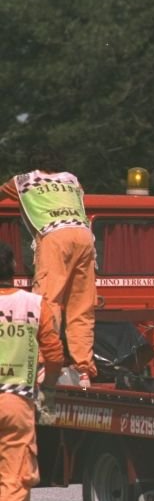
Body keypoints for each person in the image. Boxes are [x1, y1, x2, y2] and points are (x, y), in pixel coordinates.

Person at [1, 151, 96, 387]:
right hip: (85, 237)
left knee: (48, 301)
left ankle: (43, 364)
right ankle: (83, 370)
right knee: (81, 306)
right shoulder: (71, 179)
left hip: (54, 237)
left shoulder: (24, 180)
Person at [0, 242, 63, 501]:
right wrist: (46, 385)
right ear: (13, 266)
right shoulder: (34, 305)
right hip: (16, 402)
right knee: (14, 477)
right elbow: (54, 356)